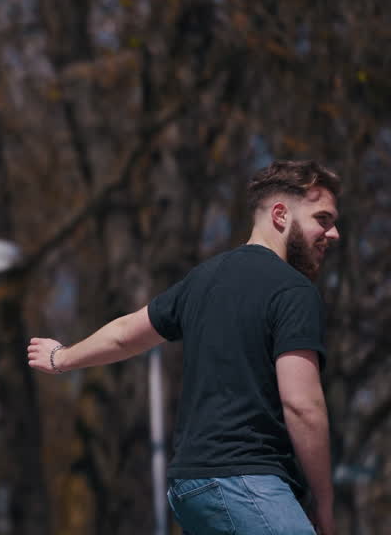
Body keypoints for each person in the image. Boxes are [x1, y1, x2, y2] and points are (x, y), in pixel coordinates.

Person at [28, 160, 341, 535]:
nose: (333, 233)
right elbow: (303, 405)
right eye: (322, 219)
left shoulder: (203, 280)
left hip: (190, 487)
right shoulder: (294, 291)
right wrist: (324, 503)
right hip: (245, 481)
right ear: (280, 214)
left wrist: (60, 357)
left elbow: (127, 333)